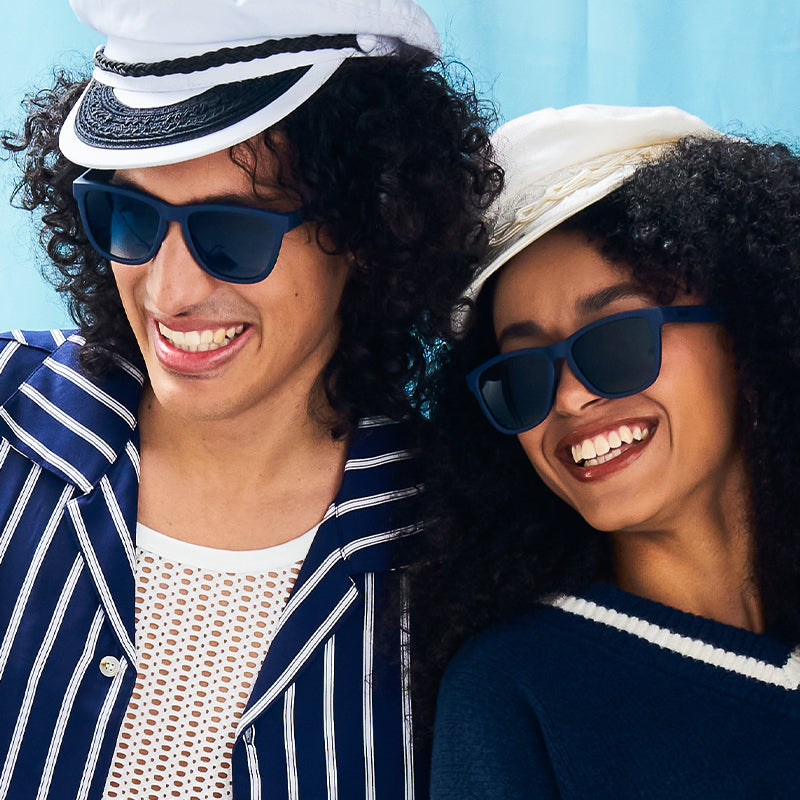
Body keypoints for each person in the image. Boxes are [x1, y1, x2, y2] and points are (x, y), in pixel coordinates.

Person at [0, 0, 501, 797]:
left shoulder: (468, 548)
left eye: (232, 231)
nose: (172, 290)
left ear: (371, 228)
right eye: (129, 214)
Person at [409, 105, 800, 798]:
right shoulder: (515, 693)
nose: (568, 398)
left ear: (748, 330)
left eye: (615, 341)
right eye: (523, 375)